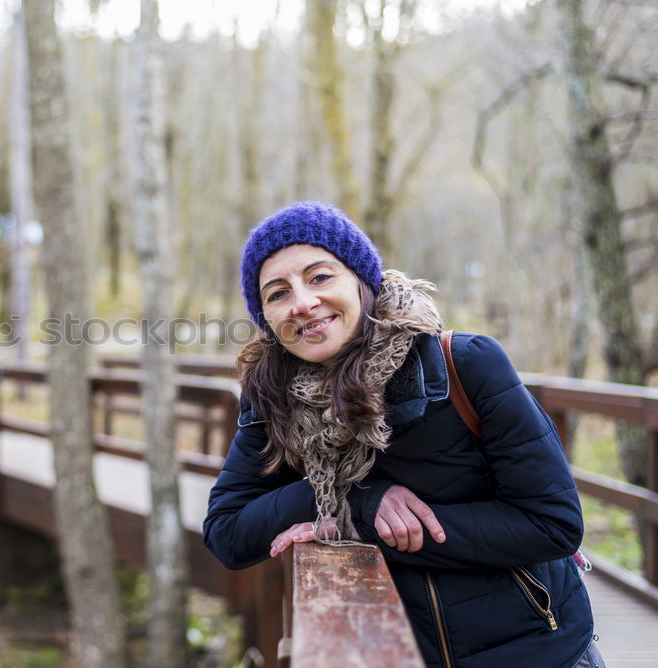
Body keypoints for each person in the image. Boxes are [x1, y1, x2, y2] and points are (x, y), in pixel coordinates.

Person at [203, 201, 602, 668]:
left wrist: (366, 525)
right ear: (267, 318)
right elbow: (227, 533)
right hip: (393, 652)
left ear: (360, 278)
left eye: (320, 277)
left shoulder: (465, 366)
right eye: (277, 293)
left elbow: (551, 524)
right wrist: (353, 501)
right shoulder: (271, 397)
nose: (303, 303)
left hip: (537, 652)